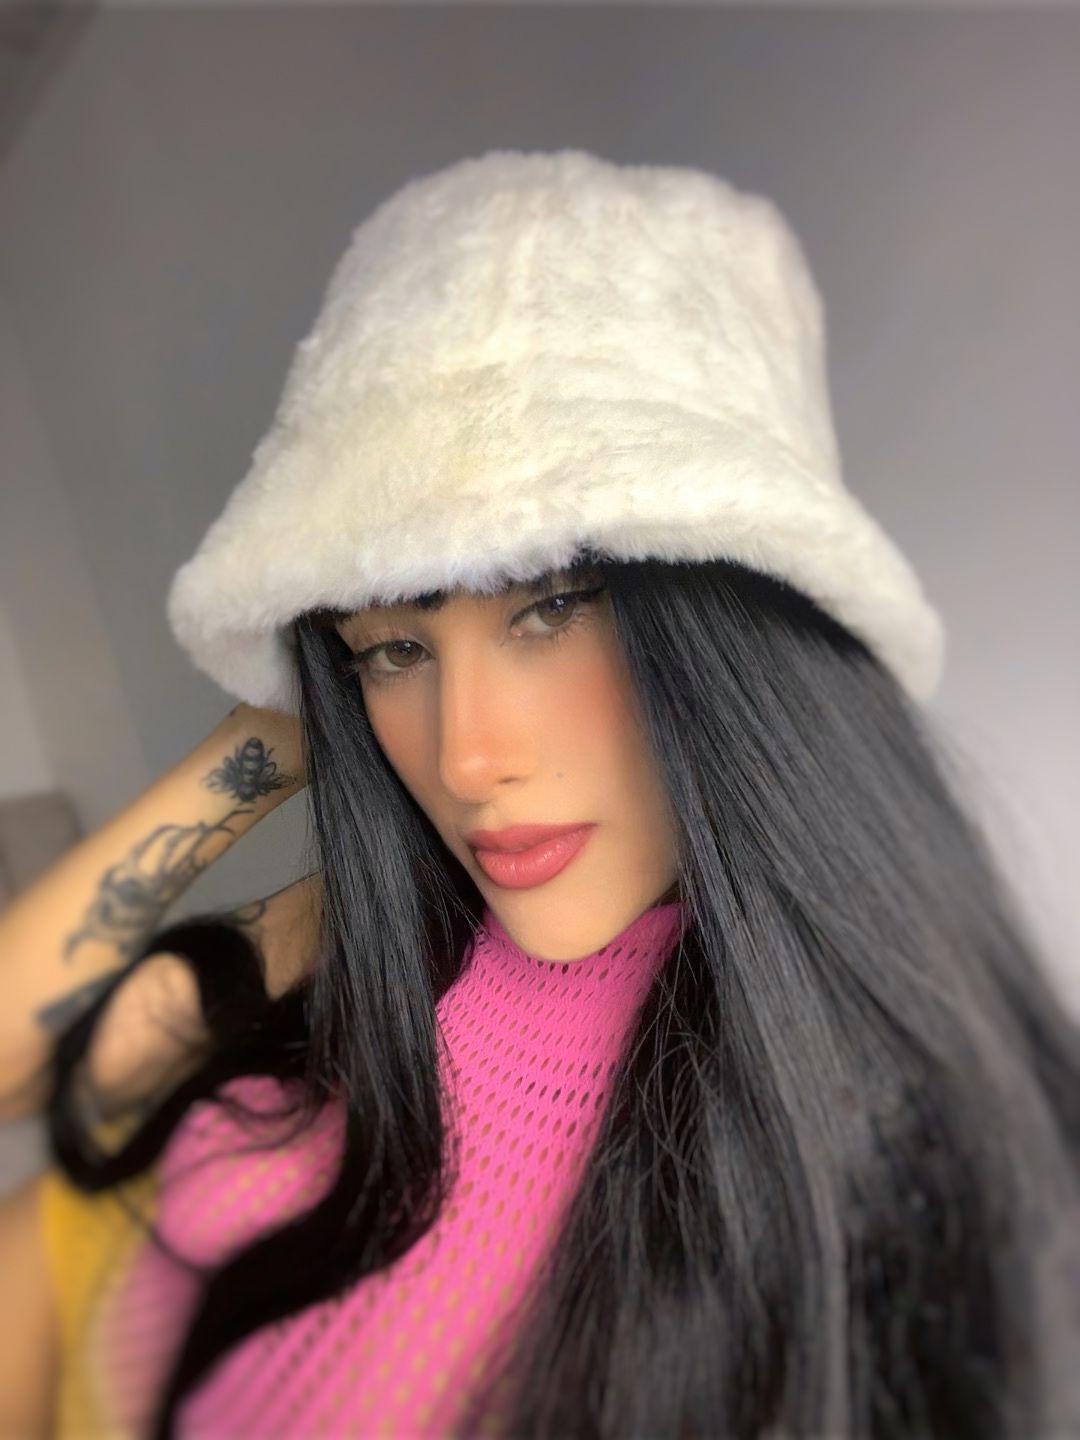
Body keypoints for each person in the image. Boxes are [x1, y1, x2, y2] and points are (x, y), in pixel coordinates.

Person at [3, 146, 1079, 1440]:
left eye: (553, 609)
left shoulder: (910, 1174)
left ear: (740, 631)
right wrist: (289, 723)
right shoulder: (381, 941)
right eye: (395, 652)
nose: (467, 759)